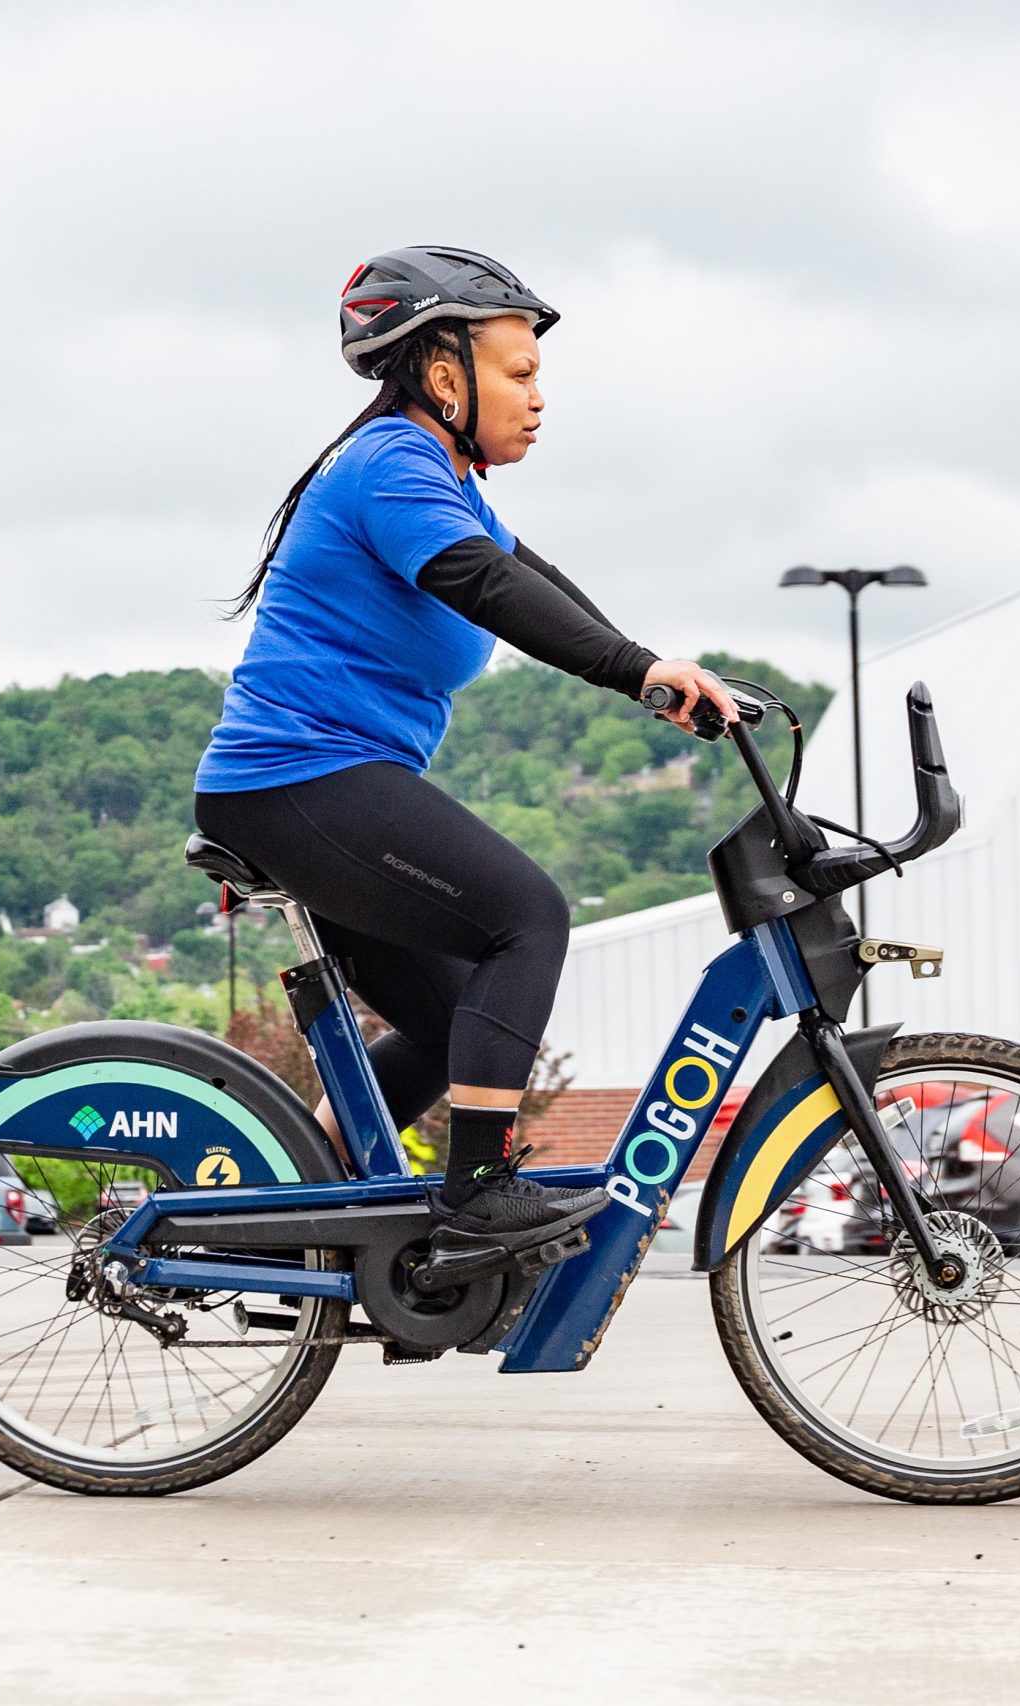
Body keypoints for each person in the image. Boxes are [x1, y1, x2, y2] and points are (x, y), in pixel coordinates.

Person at [194, 245, 737, 1254]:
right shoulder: (390, 464)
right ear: (445, 374)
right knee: (527, 915)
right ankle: (477, 1190)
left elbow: (537, 577)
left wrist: (655, 671)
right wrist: (636, 671)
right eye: (519, 373)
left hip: (317, 787)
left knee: (453, 1033)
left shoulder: (440, 480)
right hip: (297, 783)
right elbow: (485, 584)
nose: (539, 398)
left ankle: (291, 1226)